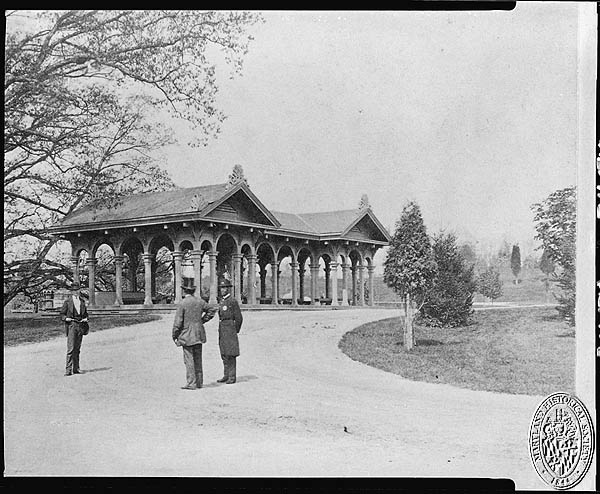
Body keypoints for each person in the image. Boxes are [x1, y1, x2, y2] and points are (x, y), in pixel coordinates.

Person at [172, 277, 216, 390]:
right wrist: (202, 321)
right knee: (198, 358)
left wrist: (175, 335)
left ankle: (191, 383)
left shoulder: (182, 304)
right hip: (198, 334)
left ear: (184, 290)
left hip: (186, 335)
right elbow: (212, 310)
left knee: (189, 359)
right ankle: (199, 383)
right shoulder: (200, 302)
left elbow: (178, 322)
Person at [216, 279, 243, 384]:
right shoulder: (222, 301)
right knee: (224, 353)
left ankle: (232, 376)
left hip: (230, 329)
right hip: (222, 329)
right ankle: (226, 375)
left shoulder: (232, 301)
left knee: (231, 353)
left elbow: (239, 318)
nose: (222, 290)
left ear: (228, 289)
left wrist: (234, 330)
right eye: (221, 288)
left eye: (224, 288)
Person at [60, 282, 89, 376]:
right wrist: (66, 318)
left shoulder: (82, 301)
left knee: (77, 348)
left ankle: (76, 368)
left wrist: (86, 319)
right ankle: (68, 370)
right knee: (71, 348)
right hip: (72, 325)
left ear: (79, 291)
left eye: (77, 290)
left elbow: (85, 314)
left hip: (80, 326)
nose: (76, 292)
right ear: (71, 291)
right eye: (74, 290)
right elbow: (62, 314)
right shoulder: (67, 302)